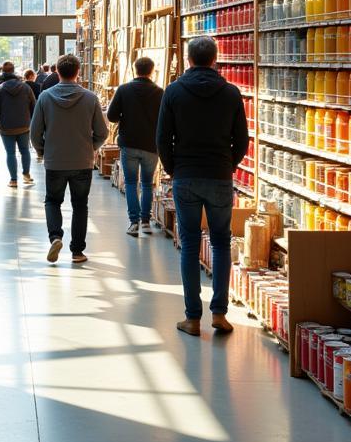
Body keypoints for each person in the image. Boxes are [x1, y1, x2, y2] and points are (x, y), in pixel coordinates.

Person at [156, 36, 249, 337]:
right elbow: (242, 140)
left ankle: (192, 318)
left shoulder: (173, 92)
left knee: (190, 243)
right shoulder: (231, 93)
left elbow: (162, 138)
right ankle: (220, 314)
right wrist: (229, 164)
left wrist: (174, 168)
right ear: (215, 59)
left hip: (186, 175)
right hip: (220, 175)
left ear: (188, 59)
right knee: (221, 242)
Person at [30, 54, 107, 265]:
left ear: (57, 72)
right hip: (82, 161)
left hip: (55, 160)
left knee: (53, 201)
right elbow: (102, 132)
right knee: (80, 205)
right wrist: (90, 147)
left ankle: (55, 237)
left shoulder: (45, 97)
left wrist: (43, 150)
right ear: (78, 72)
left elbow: (35, 132)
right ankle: (77, 252)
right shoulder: (90, 98)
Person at [107, 55, 164, 237]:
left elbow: (111, 116)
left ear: (134, 70)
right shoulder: (160, 92)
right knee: (147, 184)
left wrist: (126, 116)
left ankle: (134, 223)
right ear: (152, 71)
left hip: (129, 143)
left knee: (131, 183)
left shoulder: (124, 90)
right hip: (151, 145)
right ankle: (146, 222)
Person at [0, 61, 36, 188]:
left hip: (6, 126)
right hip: (24, 125)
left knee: (10, 153)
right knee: (25, 150)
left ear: (2, 72)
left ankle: (13, 180)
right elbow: (34, 105)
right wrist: (31, 121)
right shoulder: (26, 87)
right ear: (14, 71)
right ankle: (26, 174)